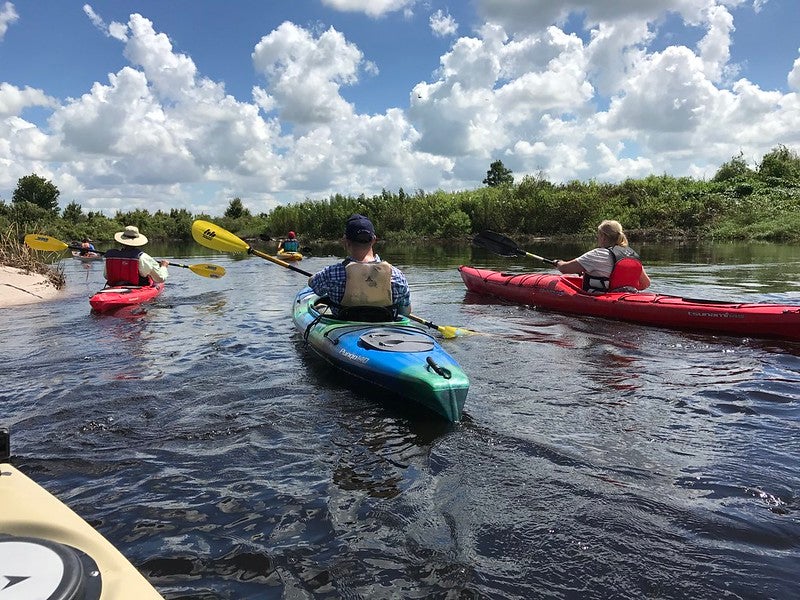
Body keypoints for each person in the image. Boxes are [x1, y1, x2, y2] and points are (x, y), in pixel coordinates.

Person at [308, 214, 411, 321]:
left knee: (320, 307)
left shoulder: (332, 273)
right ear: (374, 240)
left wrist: (312, 278)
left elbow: (314, 285)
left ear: (346, 241)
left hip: (344, 327)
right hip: (384, 330)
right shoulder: (397, 275)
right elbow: (405, 312)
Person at [553, 219, 650, 292]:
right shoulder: (632, 254)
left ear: (603, 237)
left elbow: (565, 269)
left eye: (598, 236)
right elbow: (645, 284)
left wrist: (558, 263)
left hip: (602, 300)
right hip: (625, 298)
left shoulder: (598, 254)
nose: (598, 238)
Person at [103, 225, 169, 287]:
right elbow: (160, 278)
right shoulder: (143, 257)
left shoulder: (110, 256)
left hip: (114, 287)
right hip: (137, 288)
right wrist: (164, 266)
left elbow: (106, 276)